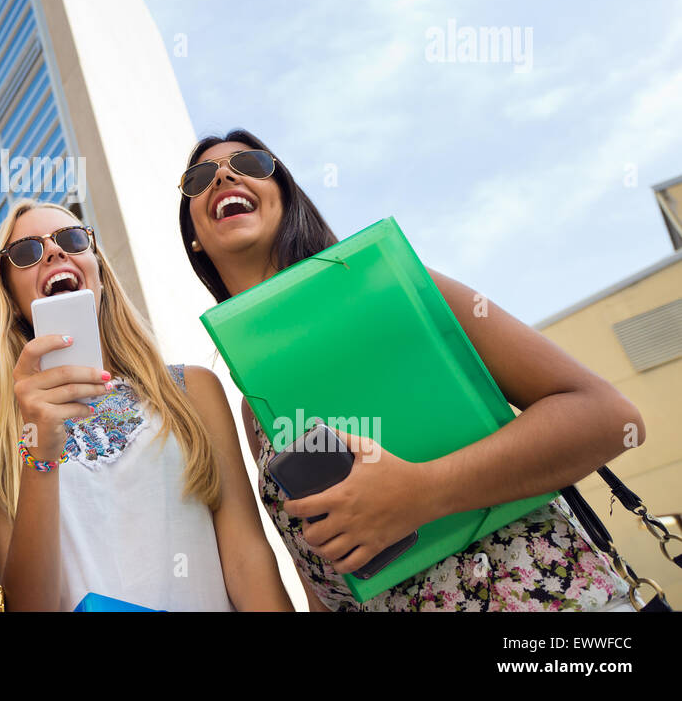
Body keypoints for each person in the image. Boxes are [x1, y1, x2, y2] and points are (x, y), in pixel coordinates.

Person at [177, 128, 645, 611]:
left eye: (251, 163)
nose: (225, 175)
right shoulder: (254, 411)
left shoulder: (397, 288)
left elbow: (611, 418)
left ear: (287, 197)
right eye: (200, 177)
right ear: (193, 238)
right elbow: (321, 580)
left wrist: (424, 492)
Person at [0, 198, 293, 611]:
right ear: (11, 297)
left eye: (71, 239)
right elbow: (30, 606)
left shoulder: (192, 389)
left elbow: (248, 559)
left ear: (99, 273)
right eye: (28, 251)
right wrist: (40, 455)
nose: (54, 251)